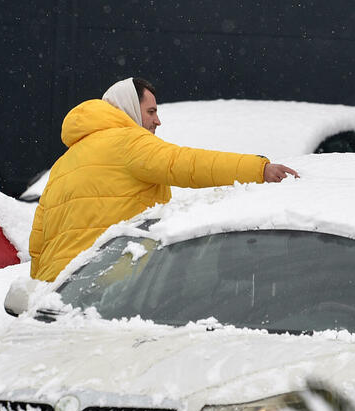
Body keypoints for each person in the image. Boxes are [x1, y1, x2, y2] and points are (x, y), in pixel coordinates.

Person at [29, 77, 300, 281]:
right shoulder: (128, 142)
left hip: (59, 290)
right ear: (130, 109)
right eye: (150, 112)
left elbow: (38, 241)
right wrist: (257, 170)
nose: (158, 121)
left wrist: (41, 287)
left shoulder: (64, 163)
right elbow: (186, 164)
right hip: (108, 281)